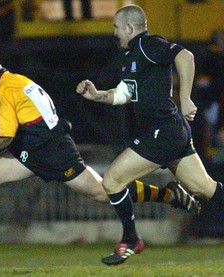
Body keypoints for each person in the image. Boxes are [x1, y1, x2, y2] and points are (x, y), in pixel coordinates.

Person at [0, 54, 199, 245]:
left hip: (51, 150)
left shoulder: (1, 89)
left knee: (103, 192)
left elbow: (4, 136)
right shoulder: (11, 82)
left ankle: (170, 194)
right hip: (33, 148)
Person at [76, 4, 224, 266]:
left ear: (130, 28)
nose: (114, 33)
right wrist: (97, 95)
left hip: (162, 132)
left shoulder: (147, 45)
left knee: (111, 181)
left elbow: (185, 56)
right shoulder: (132, 55)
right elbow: (123, 94)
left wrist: (186, 97)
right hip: (170, 132)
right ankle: (165, 204)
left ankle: (131, 239)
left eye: (116, 28)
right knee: (206, 189)